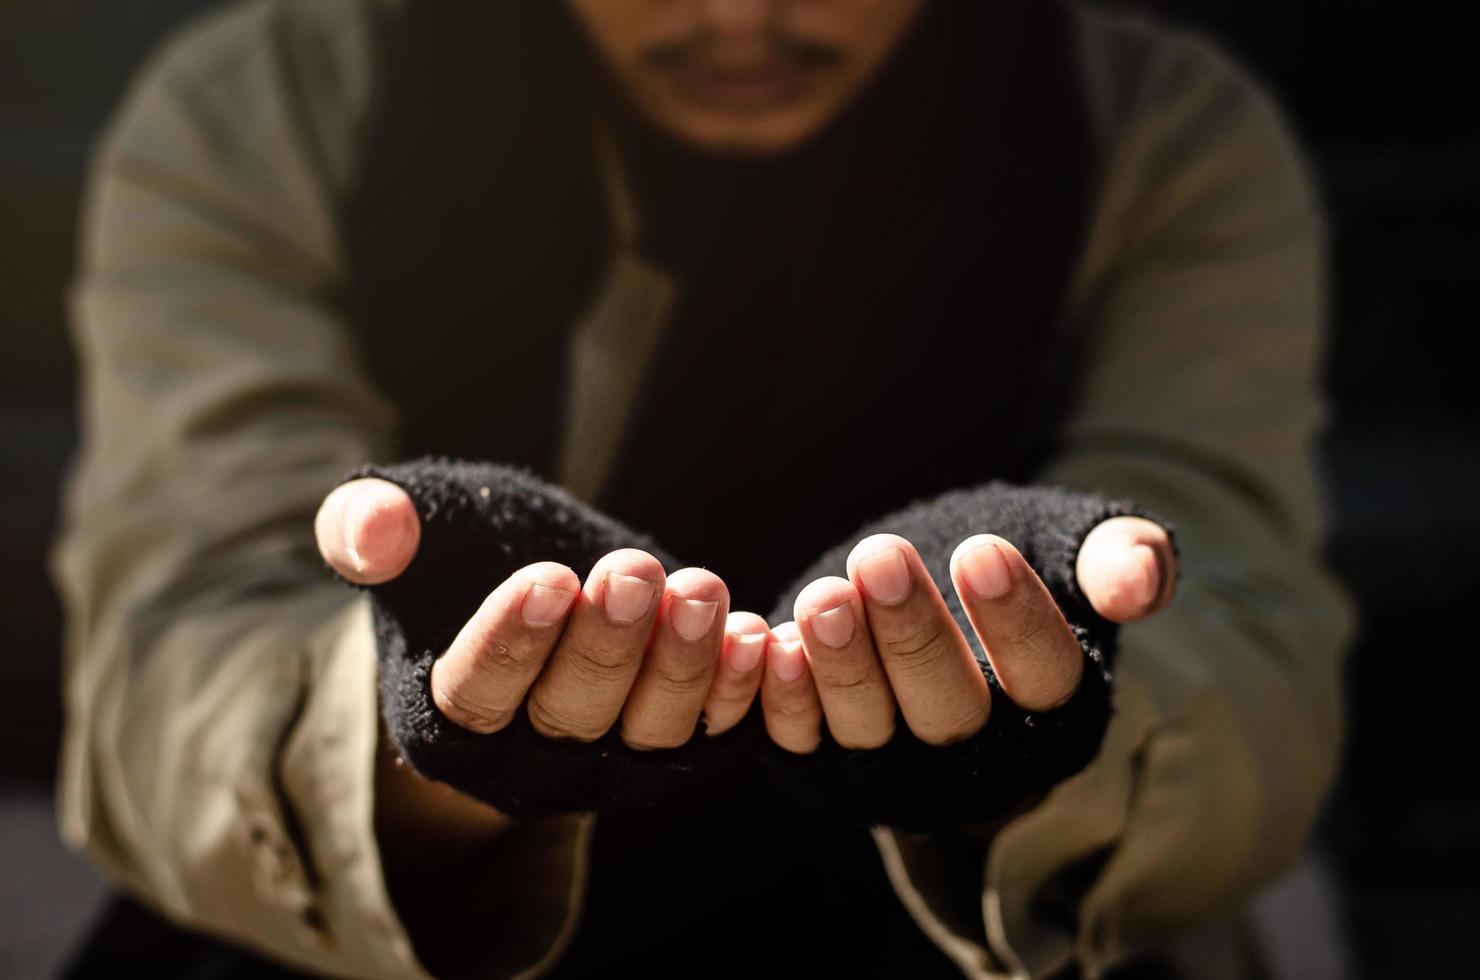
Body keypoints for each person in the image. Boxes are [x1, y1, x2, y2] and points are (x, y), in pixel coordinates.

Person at [49, 0, 1355, 977]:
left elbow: (1244, 650)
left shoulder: (1160, 135)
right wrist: (422, 739)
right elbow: (175, 658)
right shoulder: (270, 107)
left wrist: (1057, 703)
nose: (741, 14)